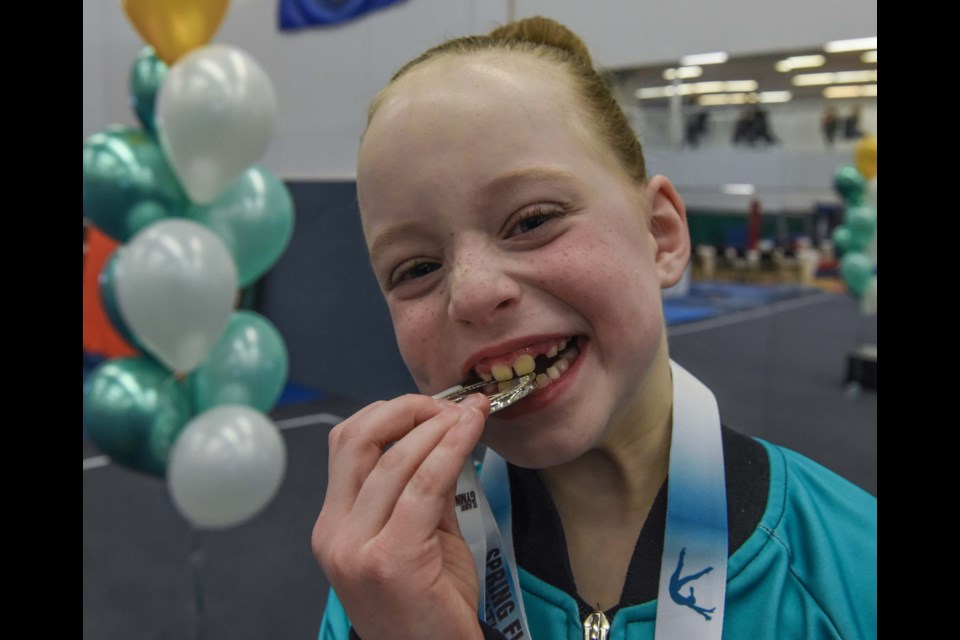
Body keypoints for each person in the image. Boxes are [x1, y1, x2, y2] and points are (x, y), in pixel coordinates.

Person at [311, 16, 877, 640]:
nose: (472, 294)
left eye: (531, 221)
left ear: (661, 233)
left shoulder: (854, 571)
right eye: (414, 267)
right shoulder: (382, 586)